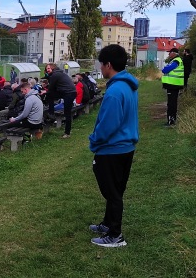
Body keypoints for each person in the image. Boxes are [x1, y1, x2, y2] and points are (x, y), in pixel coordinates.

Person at [88, 44, 139, 248]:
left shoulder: (115, 91)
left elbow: (109, 125)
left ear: (108, 65)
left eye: (101, 64)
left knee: (113, 193)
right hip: (125, 147)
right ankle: (108, 224)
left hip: (113, 148)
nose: (100, 68)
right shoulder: (127, 85)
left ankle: (115, 235)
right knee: (115, 190)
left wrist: (94, 140)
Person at [45, 63, 77, 138]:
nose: (47, 70)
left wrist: (45, 92)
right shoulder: (59, 73)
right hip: (67, 92)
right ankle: (51, 113)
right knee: (50, 95)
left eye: (49, 68)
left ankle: (67, 133)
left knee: (67, 112)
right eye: (46, 69)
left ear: (53, 68)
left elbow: (51, 88)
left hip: (69, 93)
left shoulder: (55, 75)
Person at [162, 48, 184, 126]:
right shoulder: (175, 60)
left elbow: (166, 70)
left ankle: (171, 121)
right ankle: (172, 120)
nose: (169, 54)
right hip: (174, 85)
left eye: (170, 52)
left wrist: (164, 69)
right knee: (172, 103)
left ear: (174, 53)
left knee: (171, 104)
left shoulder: (176, 61)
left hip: (173, 85)